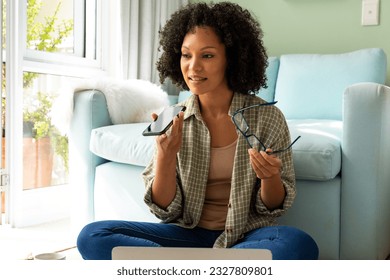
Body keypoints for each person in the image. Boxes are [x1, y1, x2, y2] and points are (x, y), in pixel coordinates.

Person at [77, 1, 319, 260]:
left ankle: (182, 268)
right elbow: (164, 211)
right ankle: (221, 268)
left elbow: (272, 208)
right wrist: (165, 158)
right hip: (185, 234)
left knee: (297, 244)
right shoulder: (172, 117)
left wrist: (270, 177)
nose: (193, 67)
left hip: (246, 236)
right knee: (92, 236)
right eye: (186, 54)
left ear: (232, 59)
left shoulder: (267, 117)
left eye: (207, 55)